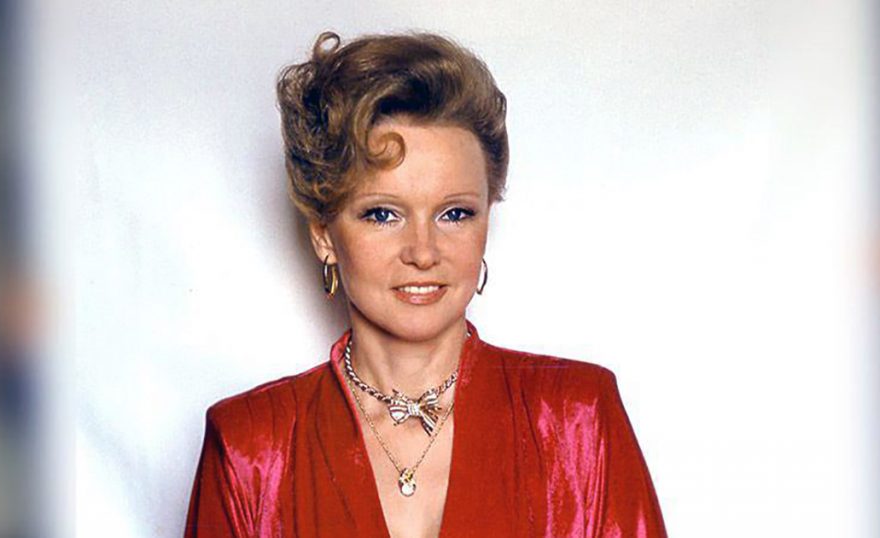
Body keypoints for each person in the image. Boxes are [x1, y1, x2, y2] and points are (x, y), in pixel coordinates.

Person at [184, 31, 667, 538]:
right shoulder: (250, 448)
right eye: (382, 214)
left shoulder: (577, 420)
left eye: (454, 213)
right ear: (324, 235)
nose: (423, 252)